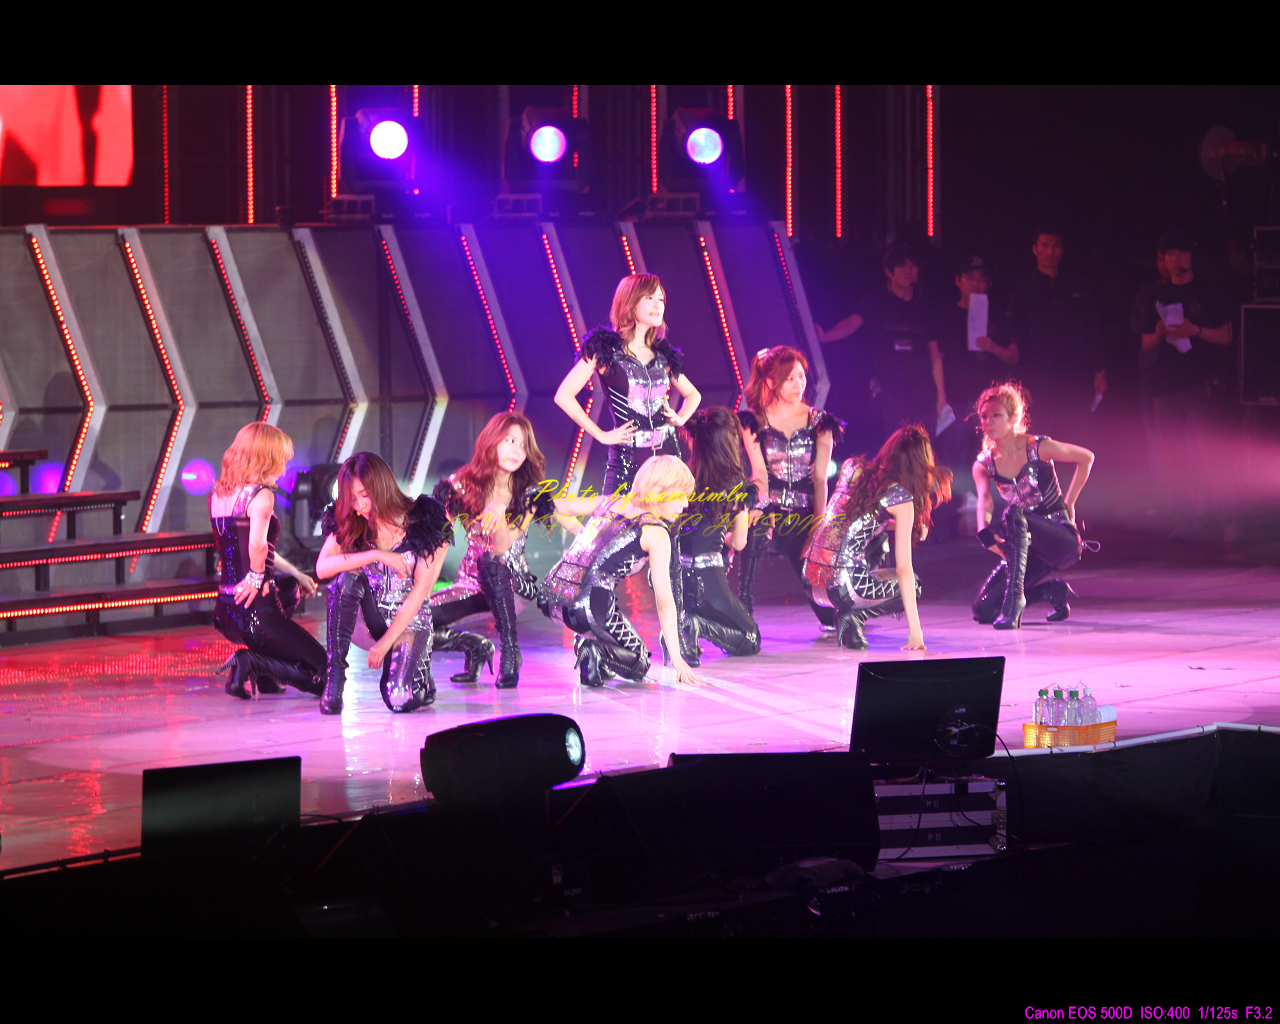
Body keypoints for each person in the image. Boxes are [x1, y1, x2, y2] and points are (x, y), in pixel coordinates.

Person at [538, 455, 701, 688]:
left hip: (552, 596)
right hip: (590, 607)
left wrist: (584, 538)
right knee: (640, 662)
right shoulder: (656, 532)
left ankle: (589, 648)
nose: (685, 504)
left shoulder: (609, 502)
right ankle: (592, 649)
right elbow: (664, 600)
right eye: (681, 496)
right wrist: (677, 660)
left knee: (604, 628)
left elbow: (553, 506)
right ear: (660, 492)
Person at [315, 453, 452, 714]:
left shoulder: (424, 519)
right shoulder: (351, 519)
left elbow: (421, 591)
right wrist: (375, 555)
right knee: (347, 578)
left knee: (399, 700)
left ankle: (422, 678)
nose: (359, 506)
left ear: (381, 486)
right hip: (370, 619)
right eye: (352, 499)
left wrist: (386, 642)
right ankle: (335, 677)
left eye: (364, 495)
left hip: (410, 622)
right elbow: (322, 568)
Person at [432, 412, 557, 689]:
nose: (517, 451)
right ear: (492, 440)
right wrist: (420, 587)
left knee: (492, 563)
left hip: (513, 583)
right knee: (418, 619)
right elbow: (439, 539)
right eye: (510, 441)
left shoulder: (529, 492)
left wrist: (499, 509)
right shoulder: (461, 484)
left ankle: (510, 652)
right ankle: (475, 646)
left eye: (523, 445)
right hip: (471, 584)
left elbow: (502, 547)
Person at [803, 424, 952, 651]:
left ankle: (849, 615)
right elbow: (904, 570)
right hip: (842, 588)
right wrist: (915, 631)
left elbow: (852, 521)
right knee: (913, 585)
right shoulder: (899, 497)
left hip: (811, 579)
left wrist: (906, 525)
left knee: (879, 539)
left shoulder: (851, 467)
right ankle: (854, 616)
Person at [553, 273, 701, 496]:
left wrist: (680, 418)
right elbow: (564, 395)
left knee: (668, 518)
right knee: (617, 516)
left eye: (661, 299)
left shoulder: (663, 354)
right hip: (628, 458)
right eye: (650, 298)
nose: (658, 305)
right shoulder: (605, 350)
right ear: (631, 303)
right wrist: (601, 434)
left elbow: (693, 395)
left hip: (668, 456)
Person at [210, 422, 325, 699]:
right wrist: (255, 576)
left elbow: (258, 548)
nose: (284, 468)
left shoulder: (218, 494)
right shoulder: (261, 495)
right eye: (281, 459)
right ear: (266, 458)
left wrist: (297, 573)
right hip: (255, 611)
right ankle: (252, 662)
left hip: (227, 610)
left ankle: (266, 676)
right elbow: (257, 546)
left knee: (290, 587)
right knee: (327, 676)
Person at [971, 382, 1094, 629]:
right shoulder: (984, 463)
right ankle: (1051, 590)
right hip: (1027, 550)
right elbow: (984, 499)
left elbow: (1086, 457)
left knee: (1013, 513)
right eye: (984, 416)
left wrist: (1069, 501)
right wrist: (984, 531)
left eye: (996, 415)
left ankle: (1014, 603)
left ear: (1013, 418)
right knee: (984, 609)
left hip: (1059, 539)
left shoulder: (1036, 447)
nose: (988, 422)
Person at [1132, 231, 1233, 527]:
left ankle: (1228, 519)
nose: (1176, 259)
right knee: (1173, 456)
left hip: (1200, 383)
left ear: (1191, 257)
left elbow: (1227, 336)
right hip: (1165, 386)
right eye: (1170, 254)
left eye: (1182, 253)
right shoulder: (1153, 294)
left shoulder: (1208, 290)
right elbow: (1144, 343)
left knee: (1212, 451)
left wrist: (1196, 330)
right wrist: (1158, 334)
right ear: (1163, 259)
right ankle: (1185, 521)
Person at [737, 346, 842, 626]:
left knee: (828, 614)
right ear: (772, 382)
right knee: (753, 526)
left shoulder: (819, 421)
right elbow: (759, 473)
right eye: (790, 379)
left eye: (801, 376)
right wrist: (765, 508)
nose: (799, 384)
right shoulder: (754, 421)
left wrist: (817, 528)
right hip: (769, 507)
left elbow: (820, 480)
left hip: (805, 514)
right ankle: (743, 610)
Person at [817, 243, 947, 446]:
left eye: (912, 266)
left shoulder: (925, 308)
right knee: (893, 445)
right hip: (890, 390)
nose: (908, 271)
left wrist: (941, 397)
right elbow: (851, 323)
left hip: (923, 391)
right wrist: (825, 336)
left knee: (923, 446)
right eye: (902, 266)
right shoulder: (876, 302)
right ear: (889, 271)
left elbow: (935, 356)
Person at [932, 255, 1019, 531]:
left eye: (981, 279)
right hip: (958, 399)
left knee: (996, 460)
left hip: (992, 403)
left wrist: (993, 347)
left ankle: (1002, 523)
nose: (976, 284)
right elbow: (936, 357)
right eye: (970, 278)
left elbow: (1013, 356)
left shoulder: (998, 317)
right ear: (959, 281)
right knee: (952, 462)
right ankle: (944, 523)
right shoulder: (947, 316)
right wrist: (941, 398)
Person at [674, 408, 760, 663]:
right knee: (751, 639)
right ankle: (698, 626)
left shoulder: (681, 478)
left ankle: (686, 624)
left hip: (676, 581)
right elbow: (739, 542)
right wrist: (725, 535)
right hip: (709, 582)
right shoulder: (738, 489)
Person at [1004, 228, 1107, 431]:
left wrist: (1099, 370)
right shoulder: (1023, 288)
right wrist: (1019, 381)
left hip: (1075, 376)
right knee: (1041, 435)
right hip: (1038, 378)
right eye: (1045, 245)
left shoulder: (1078, 286)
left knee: (1077, 433)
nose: (1050, 251)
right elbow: (1015, 337)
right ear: (1035, 249)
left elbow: (1093, 331)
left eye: (1056, 246)